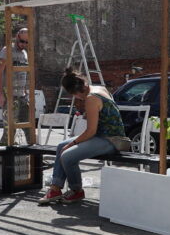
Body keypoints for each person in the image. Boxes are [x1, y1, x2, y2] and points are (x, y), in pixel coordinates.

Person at [38, 68, 125, 205]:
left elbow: (90, 131)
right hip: (103, 135)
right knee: (61, 146)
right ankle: (55, 188)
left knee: (67, 156)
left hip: (111, 140)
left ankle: (76, 190)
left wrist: (71, 144)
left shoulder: (91, 99)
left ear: (75, 92)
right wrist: (68, 145)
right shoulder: (99, 88)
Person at [0, 28, 31, 145]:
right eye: (22, 41)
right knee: (9, 130)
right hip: (10, 95)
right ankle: (3, 157)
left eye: (26, 42)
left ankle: (34, 157)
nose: (24, 45)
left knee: (29, 127)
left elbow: (24, 73)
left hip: (22, 96)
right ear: (17, 37)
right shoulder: (7, 50)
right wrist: (0, 94)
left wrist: (25, 90)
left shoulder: (25, 53)